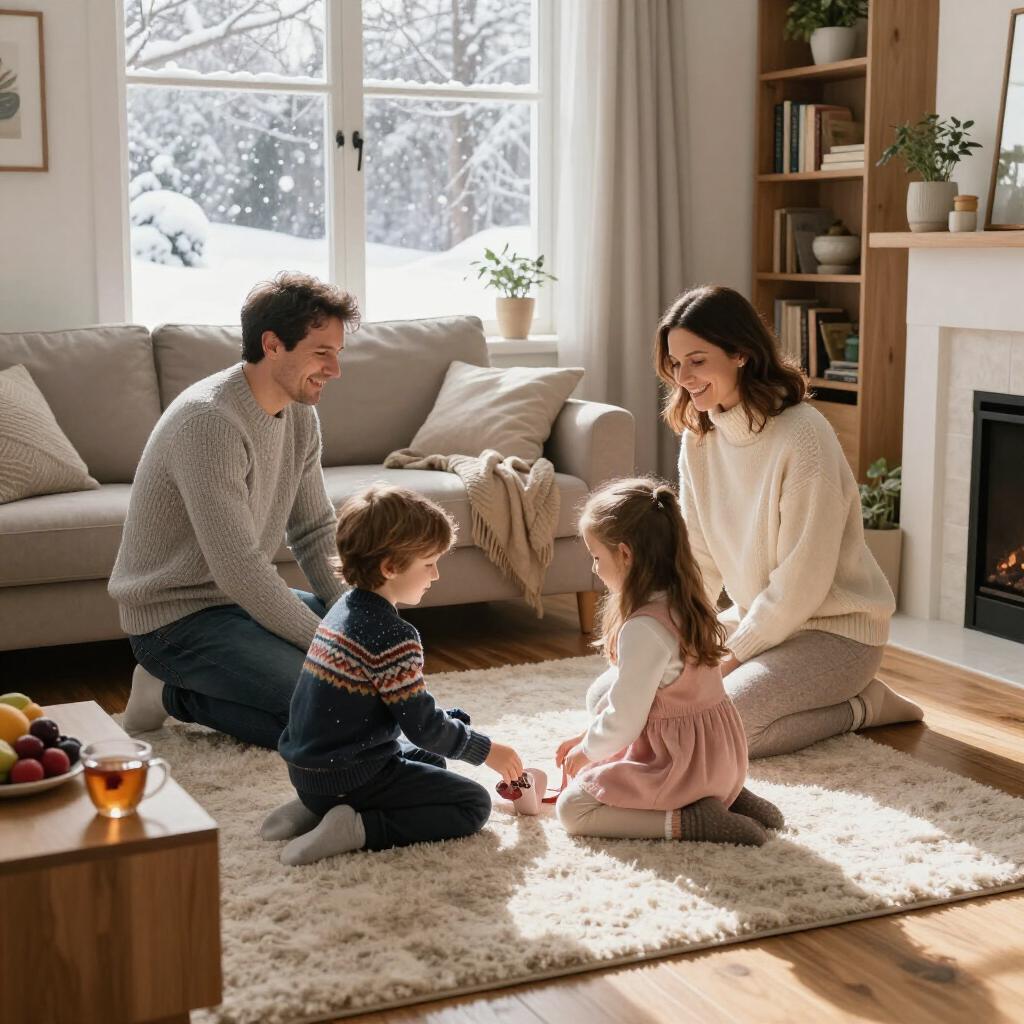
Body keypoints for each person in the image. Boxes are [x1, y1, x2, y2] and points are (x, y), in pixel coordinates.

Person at [656, 285, 921, 760]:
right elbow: (699, 559)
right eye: (676, 363)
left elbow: (802, 583)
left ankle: (865, 704)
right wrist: (670, 629)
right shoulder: (699, 438)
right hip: (762, 618)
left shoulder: (804, 435)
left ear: (740, 353)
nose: (684, 377)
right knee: (621, 696)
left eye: (697, 360)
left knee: (728, 728)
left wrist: (729, 658)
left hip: (834, 633)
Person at [109, 272, 360, 749]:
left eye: (338, 352)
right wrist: (336, 650)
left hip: (236, 604)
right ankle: (165, 694)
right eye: (321, 351)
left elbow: (313, 529)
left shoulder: (300, 413)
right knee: (330, 711)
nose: (335, 369)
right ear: (272, 344)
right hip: (173, 620)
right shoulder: (210, 421)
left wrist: (355, 619)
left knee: (367, 682)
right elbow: (239, 567)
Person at [261, 484, 524, 866]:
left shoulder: (340, 610)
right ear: (390, 567)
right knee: (472, 804)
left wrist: (447, 720)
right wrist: (487, 751)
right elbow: (424, 728)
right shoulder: (393, 636)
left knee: (430, 762)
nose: (435, 575)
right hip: (348, 778)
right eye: (429, 562)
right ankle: (356, 827)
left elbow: (389, 709)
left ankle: (313, 808)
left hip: (310, 771)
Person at [554, 477, 784, 847]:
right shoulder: (684, 601)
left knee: (573, 809)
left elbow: (625, 723)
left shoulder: (644, 628)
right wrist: (587, 738)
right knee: (603, 759)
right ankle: (726, 795)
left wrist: (584, 752)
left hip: (681, 766)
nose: (595, 569)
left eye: (597, 557)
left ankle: (692, 818)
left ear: (625, 554)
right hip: (721, 760)